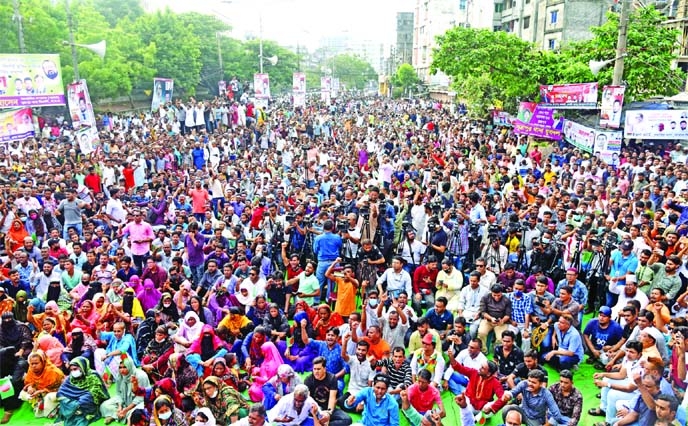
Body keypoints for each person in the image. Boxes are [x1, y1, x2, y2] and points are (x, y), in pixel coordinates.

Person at [501, 369, 569, 426]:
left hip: (535, 419)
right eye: (529, 381)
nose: (530, 384)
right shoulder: (524, 384)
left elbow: (557, 415)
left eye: (533, 382)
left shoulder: (547, 394)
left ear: (541, 384)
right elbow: (513, 392)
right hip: (522, 411)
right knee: (506, 409)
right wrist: (508, 395)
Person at [56, 356, 110, 426]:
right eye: (71, 370)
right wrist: (73, 403)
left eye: (75, 369)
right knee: (61, 395)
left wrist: (78, 403)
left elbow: (95, 391)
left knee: (85, 398)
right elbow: (61, 391)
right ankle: (74, 410)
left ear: (82, 367)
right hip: (74, 401)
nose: (73, 372)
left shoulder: (92, 375)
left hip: (88, 401)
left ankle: (80, 411)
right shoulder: (71, 377)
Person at [0, 311, 32, 423]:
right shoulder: (1, 329)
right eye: (5, 320)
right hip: (6, 355)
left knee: (14, 381)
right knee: (3, 381)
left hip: (22, 355)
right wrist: (6, 352)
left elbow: (27, 340)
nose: (7, 322)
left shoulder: (21, 327)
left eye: (9, 319)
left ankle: (9, 409)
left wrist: (21, 351)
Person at [100, 354, 150, 424]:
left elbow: (141, 397)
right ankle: (117, 415)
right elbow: (118, 393)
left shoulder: (141, 376)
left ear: (130, 366)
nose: (122, 370)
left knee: (135, 414)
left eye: (125, 367)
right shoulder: (120, 376)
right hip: (124, 402)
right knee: (104, 406)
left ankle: (116, 416)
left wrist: (126, 410)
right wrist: (120, 406)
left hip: (139, 403)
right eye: (120, 367)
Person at [303, 356, 352, 426]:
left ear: (324, 369)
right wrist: (316, 411)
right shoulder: (308, 380)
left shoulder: (332, 378)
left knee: (347, 419)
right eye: (314, 369)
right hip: (315, 409)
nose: (316, 372)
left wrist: (328, 413)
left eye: (319, 369)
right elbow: (308, 399)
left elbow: (332, 398)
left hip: (328, 408)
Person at [19, 350, 65, 418]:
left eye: (36, 363)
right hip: (39, 393)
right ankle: (39, 404)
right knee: (23, 394)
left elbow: (61, 388)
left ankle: (57, 408)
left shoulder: (53, 372)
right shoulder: (31, 370)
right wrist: (30, 387)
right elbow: (29, 382)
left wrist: (42, 391)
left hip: (53, 393)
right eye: (32, 364)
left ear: (43, 362)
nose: (33, 366)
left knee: (48, 402)